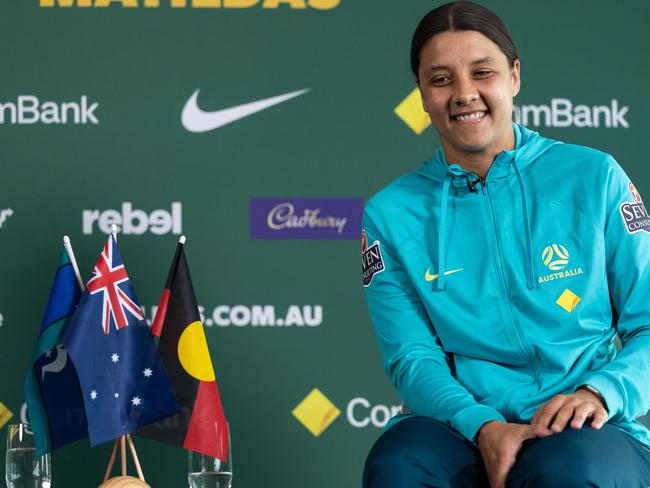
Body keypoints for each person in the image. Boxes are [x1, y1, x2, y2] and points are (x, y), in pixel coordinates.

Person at [360, 2, 650, 487]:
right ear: (422, 95)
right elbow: (413, 356)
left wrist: (601, 394)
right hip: (458, 425)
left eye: (482, 72)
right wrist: (484, 425)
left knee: (569, 469)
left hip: (583, 421)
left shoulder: (593, 177)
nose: (464, 94)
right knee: (399, 467)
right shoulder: (391, 214)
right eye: (441, 79)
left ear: (513, 77)